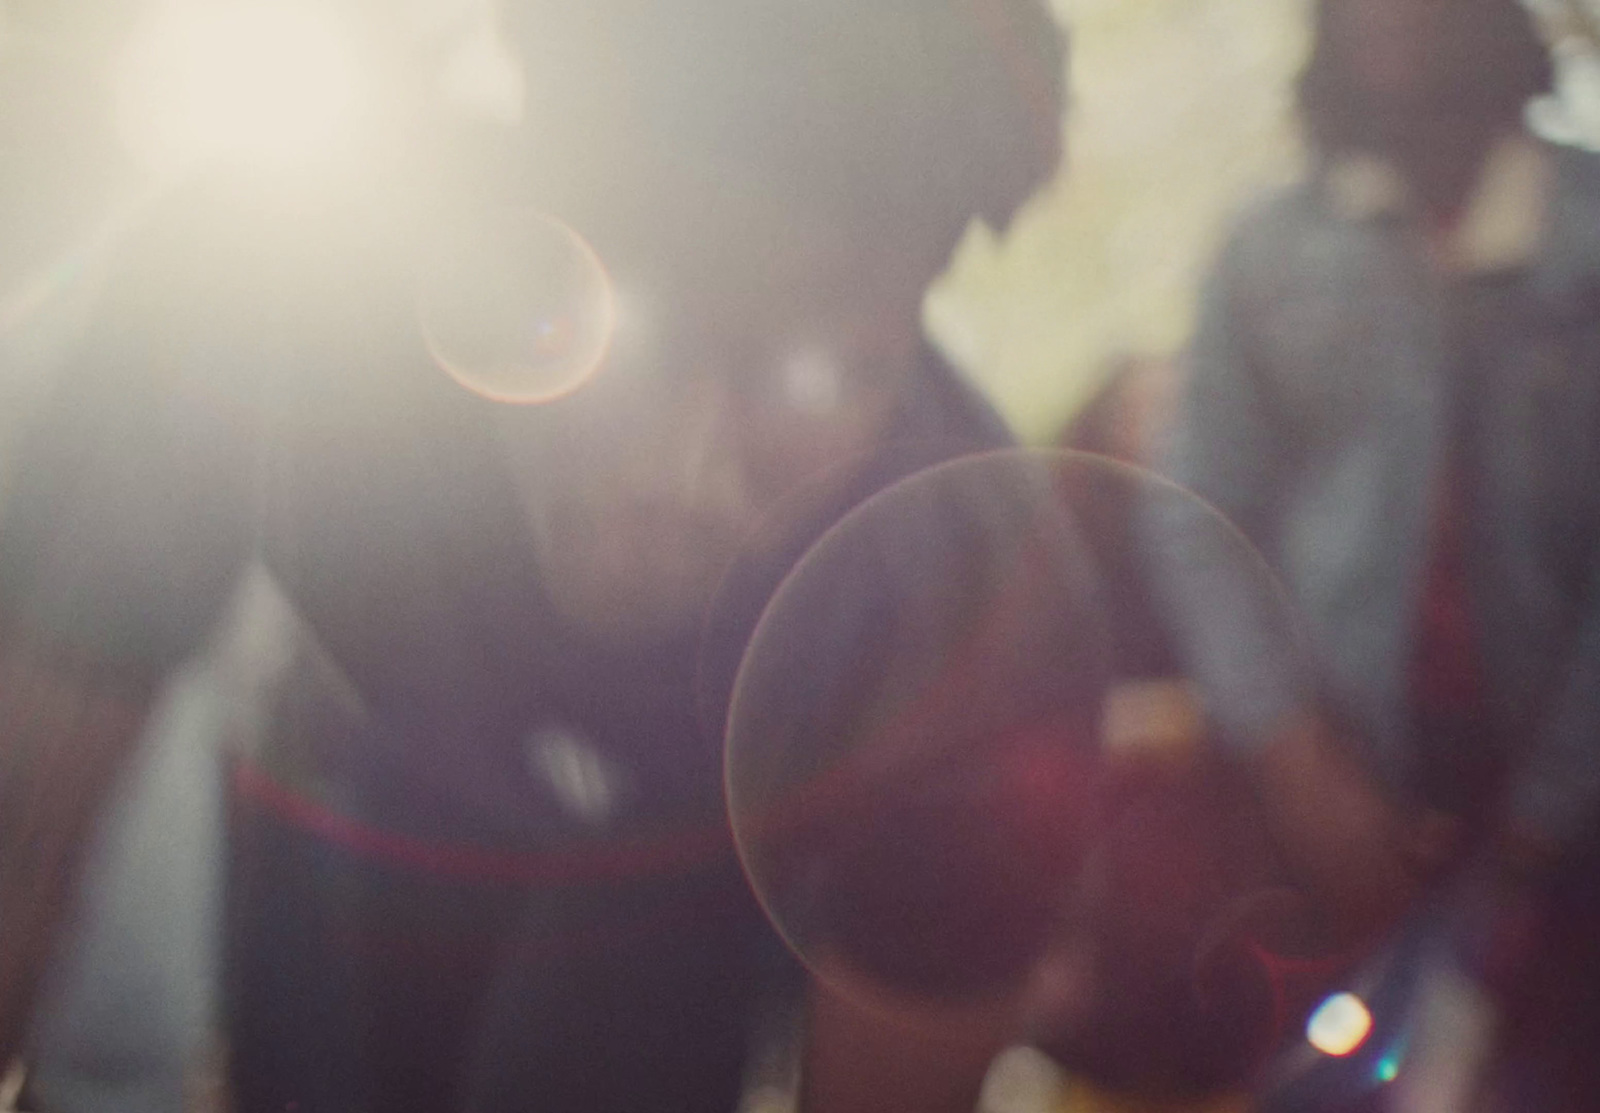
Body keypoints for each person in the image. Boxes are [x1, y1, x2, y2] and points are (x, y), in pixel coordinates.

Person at [0, 1, 1064, 1110]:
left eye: (822, 368)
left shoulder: (979, 627)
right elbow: (17, 856)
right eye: (627, 316)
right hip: (366, 770)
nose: (676, 475)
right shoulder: (245, 295)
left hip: (693, 871)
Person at [1152, 0, 1600, 1100]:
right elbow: (1192, 512)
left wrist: (1539, 827)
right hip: (1330, 821)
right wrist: (1292, 755)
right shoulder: (1267, 249)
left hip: (1567, 831)